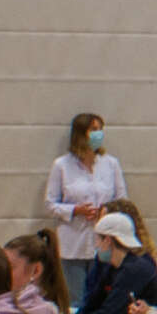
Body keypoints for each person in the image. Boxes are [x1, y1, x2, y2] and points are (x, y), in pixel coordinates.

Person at [44, 111, 125, 299]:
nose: (99, 134)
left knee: (102, 299)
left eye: (100, 129)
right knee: (76, 300)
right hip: (73, 245)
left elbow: (122, 201)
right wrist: (75, 210)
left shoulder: (111, 164)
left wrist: (107, 210)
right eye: (94, 129)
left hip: (104, 244)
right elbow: (50, 204)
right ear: (80, 133)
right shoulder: (62, 165)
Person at [72, 208, 157, 314]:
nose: (96, 245)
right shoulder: (110, 267)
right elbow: (93, 302)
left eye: (97, 240)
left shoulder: (135, 269)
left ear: (108, 240)